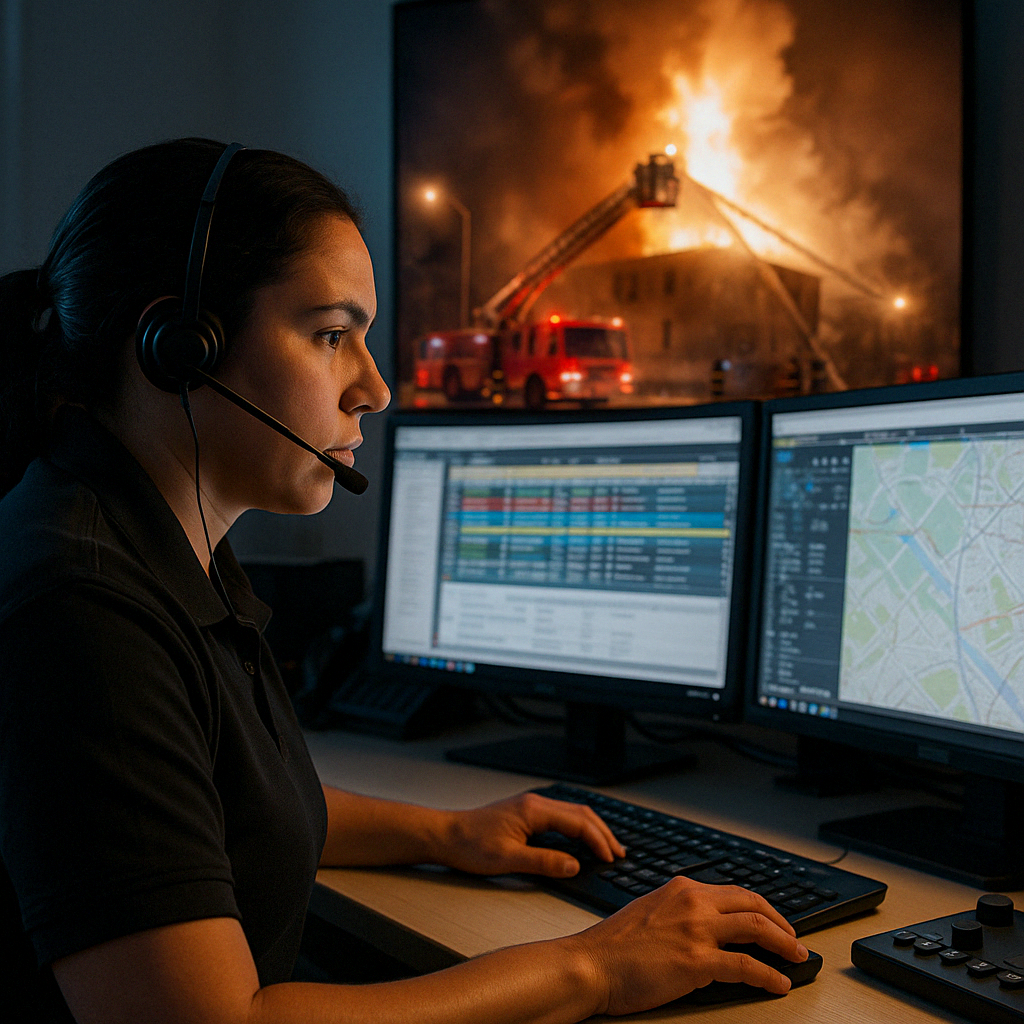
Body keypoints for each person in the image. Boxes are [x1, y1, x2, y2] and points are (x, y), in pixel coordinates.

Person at [0, 138, 807, 1024]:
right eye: (331, 334)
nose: (376, 390)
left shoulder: (154, 538)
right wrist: (597, 967)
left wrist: (445, 833)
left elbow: (213, 808)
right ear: (180, 347)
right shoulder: (84, 610)